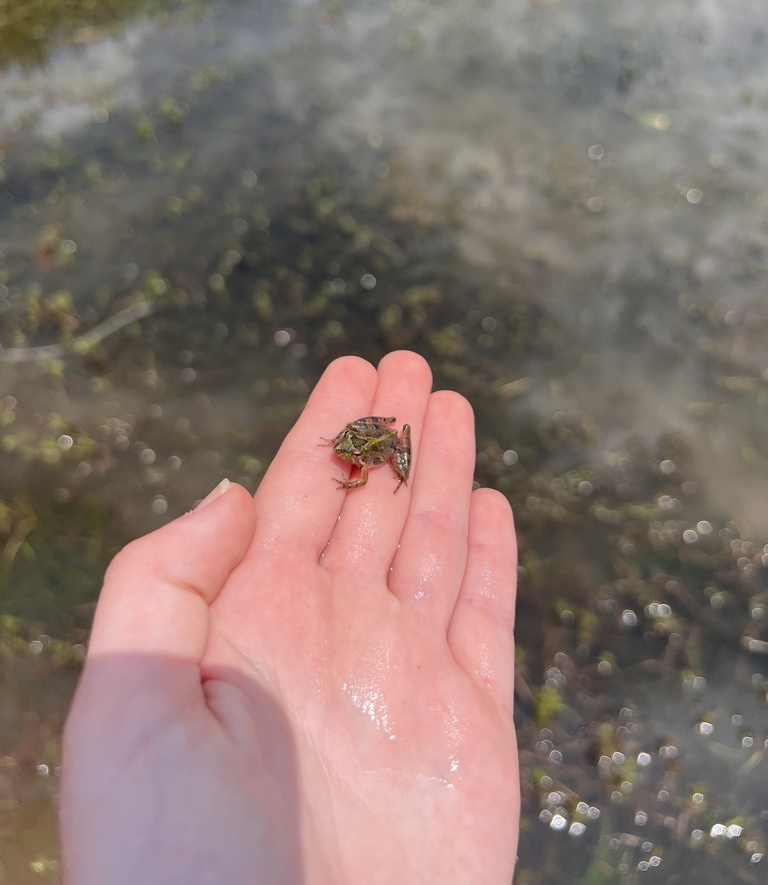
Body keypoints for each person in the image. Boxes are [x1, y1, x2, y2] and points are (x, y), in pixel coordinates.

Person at [60, 351, 520, 884]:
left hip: (386, 448)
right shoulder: (353, 449)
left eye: (349, 448)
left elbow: (361, 466)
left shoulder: (367, 457)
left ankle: (395, 453)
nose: (345, 452)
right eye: (346, 447)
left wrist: (366, 472)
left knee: (398, 450)